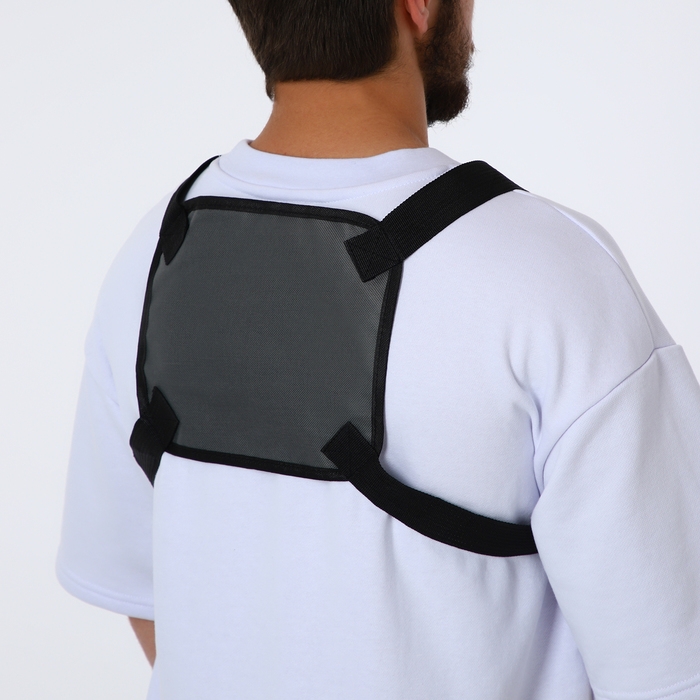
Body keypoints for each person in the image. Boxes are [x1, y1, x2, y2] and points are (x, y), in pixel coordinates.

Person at [56, 0, 700, 698]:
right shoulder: (555, 277)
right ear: (418, 6)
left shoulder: (154, 255)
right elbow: (671, 664)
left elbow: (146, 599)